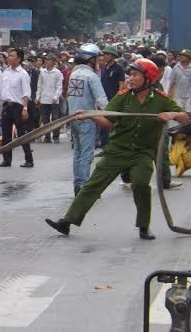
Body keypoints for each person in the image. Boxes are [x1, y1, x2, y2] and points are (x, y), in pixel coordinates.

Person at [46, 58, 190, 240]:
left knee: (141, 183)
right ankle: (66, 222)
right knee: (93, 185)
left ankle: (144, 226)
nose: (130, 78)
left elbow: (186, 119)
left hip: (142, 153)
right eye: (130, 74)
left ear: (148, 79)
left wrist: (174, 114)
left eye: (135, 74)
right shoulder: (122, 96)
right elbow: (107, 122)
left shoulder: (161, 99)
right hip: (117, 151)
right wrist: (89, 115)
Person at [66, 43, 109, 195]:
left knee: (77, 153)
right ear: (91, 59)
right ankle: (84, 188)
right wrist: (113, 116)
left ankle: (78, 185)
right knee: (86, 154)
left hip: (73, 117)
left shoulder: (74, 74)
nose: (98, 61)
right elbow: (102, 101)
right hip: (87, 119)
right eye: (97, 58)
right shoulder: (91, 76)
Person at [0, 48, 34, 168]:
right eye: (9, 56)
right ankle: (6, 160)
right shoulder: (6, 72)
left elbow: (26, 93)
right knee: (6, 135)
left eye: (12, 56)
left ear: (19, 59)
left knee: (22, 134)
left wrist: (25, 109)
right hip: (7, 106)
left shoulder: (23, 74)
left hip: (18, 107)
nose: (9, 58)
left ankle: (29, 159)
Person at [150, 54, 183, 189]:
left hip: (158, 124)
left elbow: (167, 103)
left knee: (162, 154)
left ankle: (165, 181)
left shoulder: (157, 85)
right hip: (148, 126)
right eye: (159, 71)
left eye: (163, 71)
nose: (161, 74)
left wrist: (178, 113)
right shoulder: (146, 85)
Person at [99, 45, 126, 150]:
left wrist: (119, 100)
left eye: (107, 54)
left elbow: (122, 85)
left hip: (113, 99)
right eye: (104, 54)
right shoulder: (104, 68)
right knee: (103, 124)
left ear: (113, 56)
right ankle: (104, 147)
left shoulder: (118, 68)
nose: (105, 56)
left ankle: (112, 147)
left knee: (112, 125)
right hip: (103, 99)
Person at [35, 53, 63, 143]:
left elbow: (59, 86)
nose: (46, 61)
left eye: (49, 60)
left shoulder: (57, 72)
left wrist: (56, 97)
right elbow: (39, 85)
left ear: (54, 62)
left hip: (54, 100)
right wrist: (37, 97)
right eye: (46, 60)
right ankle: (47, 137)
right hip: (44, 99)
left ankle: (56, 136)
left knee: (55, 119)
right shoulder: (42, 72)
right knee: (45, 119)